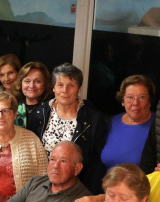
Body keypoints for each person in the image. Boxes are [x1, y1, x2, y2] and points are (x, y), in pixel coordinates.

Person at [27, 62, 107, 193]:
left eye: (71, 85)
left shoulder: (93, 119)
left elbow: (96, 162)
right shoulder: (40, 113)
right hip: (41, 186)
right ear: (53, 88)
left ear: (79, 88)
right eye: (60, 85)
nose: (65, 90)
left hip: (76, 189)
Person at [100, 75, 157, 172]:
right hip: (108, 185)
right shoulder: (112, 123)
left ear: (149, 100)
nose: (135, 103)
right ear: (123, 101)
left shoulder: (158, 125)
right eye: (130, 97)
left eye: (142, 97)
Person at [12, 61, 52, 127]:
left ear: (45, 84)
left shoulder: (51, 108)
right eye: (27, 81)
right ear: (20, 83)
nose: (32, 86)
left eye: (37, 81)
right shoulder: (12, 106)